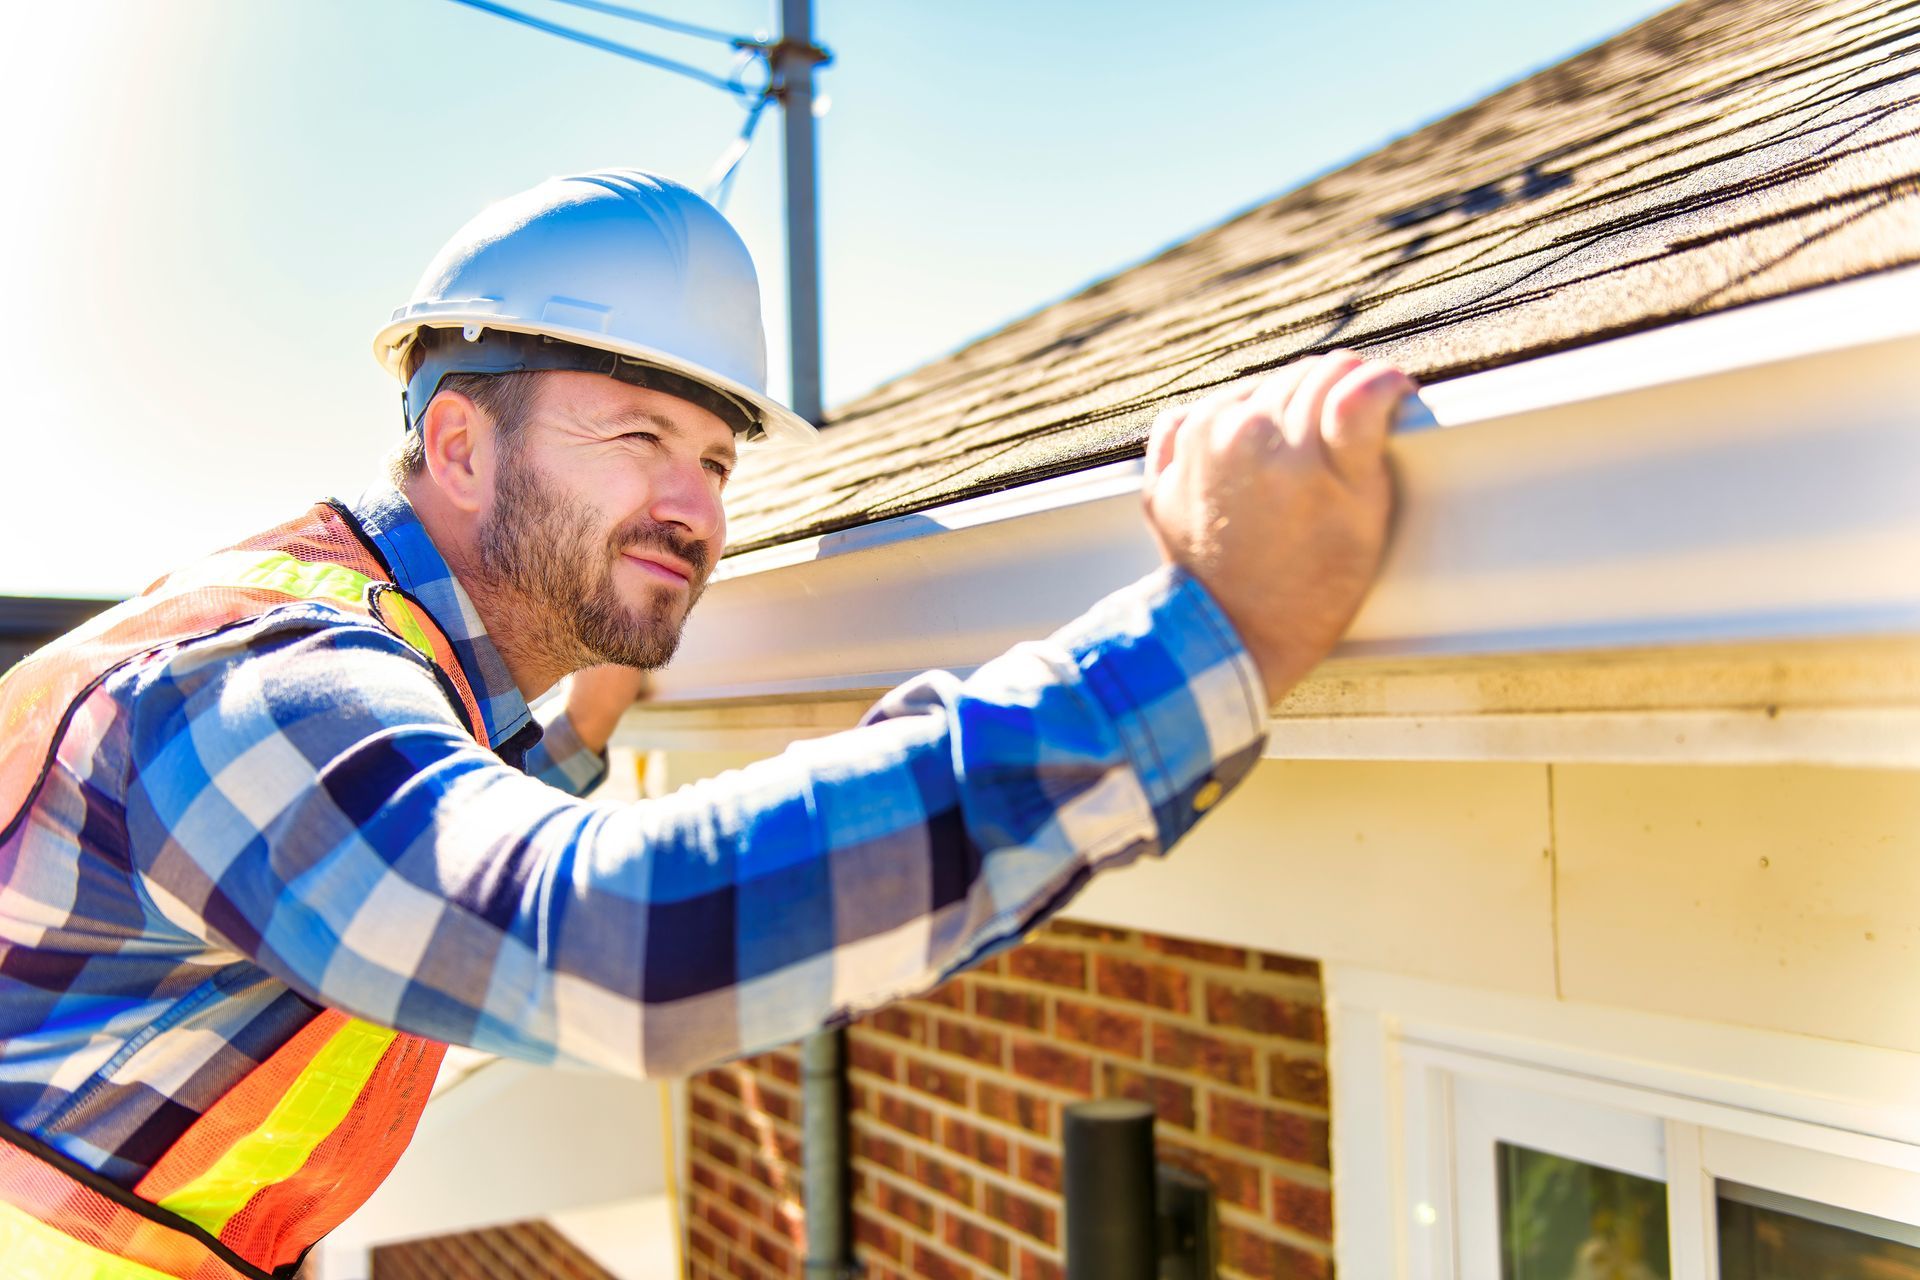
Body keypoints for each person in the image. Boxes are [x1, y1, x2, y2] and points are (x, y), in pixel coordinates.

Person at [0, 169, 1412, 1279]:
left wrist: (583, 706)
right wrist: (1207, 642)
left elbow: (387, 854)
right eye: (634, 438)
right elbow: (616, 943)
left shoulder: (367, 650)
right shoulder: (267, 691)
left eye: (716, 460)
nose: (697, 509)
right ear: (456, 445)